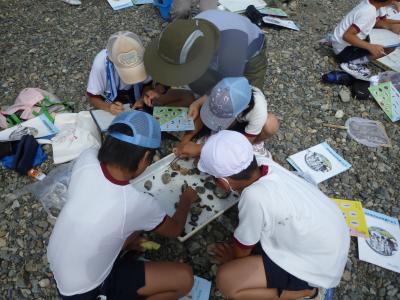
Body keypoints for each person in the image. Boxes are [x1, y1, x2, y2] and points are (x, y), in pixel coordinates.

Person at [47, 111, 195, 300]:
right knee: (184, 278)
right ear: (145, 158)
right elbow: (174, 230)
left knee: (131, 230)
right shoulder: (137, 202)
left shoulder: (88, 157)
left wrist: (130, 240)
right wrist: (186, 200)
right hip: (83, 291)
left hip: (59, 263)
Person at [197, 130, 350, 300]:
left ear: (224, 182)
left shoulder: (253, 197)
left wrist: (231, 259)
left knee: (227, 280)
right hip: (334, 237)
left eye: (213, 178)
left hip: (319, 269)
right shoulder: (263, 162)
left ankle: (308, 292)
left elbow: (242, 250)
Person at [143, 9, 267, 112]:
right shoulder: (190, 33)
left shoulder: (231, 48)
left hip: (252, 54)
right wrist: (160, 88)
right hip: (224, 41)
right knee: (203, 84)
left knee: (244, 103)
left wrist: (199, 103)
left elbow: (229, 84)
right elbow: (174, 62)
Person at [174, 77, 279, 158]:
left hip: (244, 129)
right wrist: (184, 141)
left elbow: (243, 143)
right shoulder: (222, 90)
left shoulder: (258, 111)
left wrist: (200, 149)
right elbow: (202, 113)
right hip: (232, 121)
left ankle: (256, 147)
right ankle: (217, 139)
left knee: (271, 125)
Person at [87, 31, 166, 115]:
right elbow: (93, 96)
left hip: (135, 89)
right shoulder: (100, 65)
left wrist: (143, 97)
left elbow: (147, 84)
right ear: (112, 61)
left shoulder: (145, 58)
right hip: (110, 95)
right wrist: (108, 108)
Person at [331, 0, 400, 80]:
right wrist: (371, 47)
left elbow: (380, 21)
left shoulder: (372, 4)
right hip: (343, 51)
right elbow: (347, 36)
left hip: (339, 42)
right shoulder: (369, 12)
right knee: (389, 48)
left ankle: (355, 59)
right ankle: (352, 63)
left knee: (385, 37)